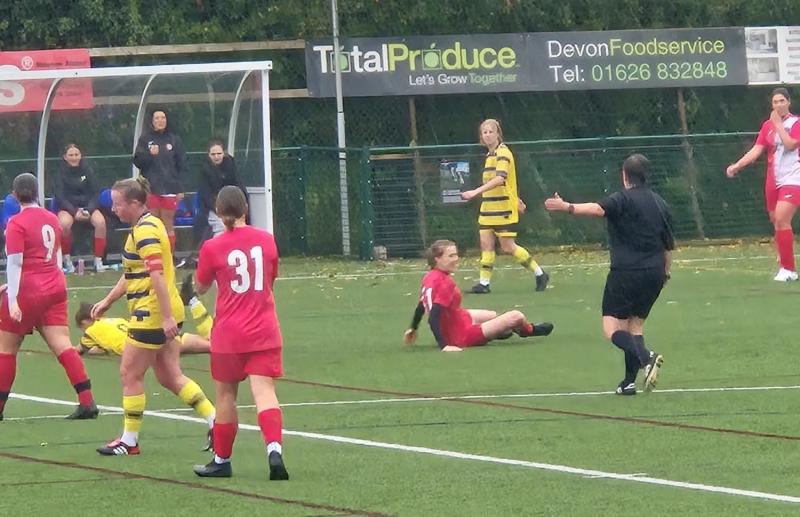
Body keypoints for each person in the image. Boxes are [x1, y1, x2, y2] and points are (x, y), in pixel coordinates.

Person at [91, 176, 215, 456]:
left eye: (118, 203)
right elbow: (134, 271)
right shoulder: (149, 224)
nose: (114, 209)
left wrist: (166, 317)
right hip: (163, 311)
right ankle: (215, 420)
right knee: (170, 376)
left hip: (152, 313)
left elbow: (156, 275)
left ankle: (129, 440)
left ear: (135, 202)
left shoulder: (145, 230)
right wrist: (109, 300)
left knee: (129, 373)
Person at [544, 153, 673, 395]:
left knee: (612, 328)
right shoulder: (660, 203)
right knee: (634, 327)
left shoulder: (622, 198)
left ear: (625, 176)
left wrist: (567, 207)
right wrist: (665, 273)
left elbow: (597, 208)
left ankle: (647, 357)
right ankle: (628, 383)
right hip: (655, 272)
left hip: (627, 272)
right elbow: (668, 246)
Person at [192, 185, 288, 481]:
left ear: (218, 213)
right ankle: (274, 450)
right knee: (265, 392)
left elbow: (200, 287)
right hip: (263, 330)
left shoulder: (212, 247)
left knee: (225, 396)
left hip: (229, 334)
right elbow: (270, 279)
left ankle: (222, 460)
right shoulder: (267, 240)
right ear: (246, 209)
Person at [0, 173, 98, 420]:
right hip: (54, 285)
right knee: (62, 344)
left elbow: (15, 263)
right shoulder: (52, 219)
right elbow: (54, 256)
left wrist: (12, 298)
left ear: (14, 195)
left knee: (6, 348)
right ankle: (87, 402)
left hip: (28, 289)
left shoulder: (16, 223)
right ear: (37, 193)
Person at [403, 239, 554, 352]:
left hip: (457, 320)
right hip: (461, 335)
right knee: (516, 316)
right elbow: (433, 316)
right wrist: (445, 345)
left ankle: (503, 330)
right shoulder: (445, 283)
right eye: (451, 256)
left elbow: (421, 306)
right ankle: (528, 330)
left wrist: (413, 328)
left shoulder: (429, 277)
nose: (456, 259)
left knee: (492, 315)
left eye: (456, 255)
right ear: (437, 259)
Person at [460, 119, 549, 294]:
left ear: (498, 134)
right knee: (486, 245)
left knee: (508, 247)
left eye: (491, 131)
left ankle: (540, 273)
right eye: (484, 132)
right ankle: (484, 284)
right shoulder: (490, 155)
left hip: (503, 209)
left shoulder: (503, 153)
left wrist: (475, 192)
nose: (487, 135)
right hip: (488, 208)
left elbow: (501, 179)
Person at [726, 87, 800, 281]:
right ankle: (784, 262)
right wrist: (737, 166)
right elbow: (756, 150)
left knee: (782, 218)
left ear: (789, 102)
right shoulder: (767, 126)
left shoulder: (796, 123)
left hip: (794, 178)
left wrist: (779, 125)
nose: (779, 105)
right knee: (776, 220)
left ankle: (788, 270)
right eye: (775, 102)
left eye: (782, 101)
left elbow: (791, 144)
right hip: (773, 180)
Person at [75, 276, 213, 356]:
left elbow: (80, 350)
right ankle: (213, 343)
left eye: (82, 326)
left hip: (136, 347)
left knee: (135, 376)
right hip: (145, 328)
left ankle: (213, 345)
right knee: (176, 340)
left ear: (86, 321)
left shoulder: (90, 332)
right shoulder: (114, 320)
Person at [187, 139, 248, 267]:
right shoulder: (204, 170)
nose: (216, 157)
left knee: (237, 227)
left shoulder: (231, 166)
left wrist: (236, 206)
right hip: (212, 208)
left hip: (232, 206)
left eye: (219, 154)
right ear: (208, 155)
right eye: (213, 154)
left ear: (224, 153)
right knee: (220, 227)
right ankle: (218, 257)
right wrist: (218, 209)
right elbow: (205, 194)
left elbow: (239, 187)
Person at [133, 109, 186, 253]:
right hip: (151, 188)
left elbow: (181, 165)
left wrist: (180, 188)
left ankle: (169, 256)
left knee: (168, 223)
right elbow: (137, 161)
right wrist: (150, 155)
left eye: (163, 118)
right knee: (153, 222)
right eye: (157, 118)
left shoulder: (174, 139)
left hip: (170, 188)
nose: (160, 121)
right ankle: (153, 253)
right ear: (152, 121)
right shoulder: (145, 139)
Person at [55, 144, 109, 273]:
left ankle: (98, 261)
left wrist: (88, 210)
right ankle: (67, 261)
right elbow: (60, 196)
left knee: (100, 222)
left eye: (76, 155)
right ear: (65, 157)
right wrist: (74, 212)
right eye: (71, 155)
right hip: (68, 208)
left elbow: (96, 193)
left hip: (87, 207)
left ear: (80, 156)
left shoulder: (88, 170)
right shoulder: (60, 174)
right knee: (64, 224)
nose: (74, 158)